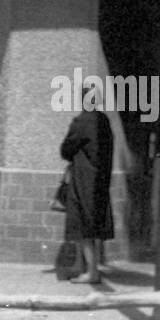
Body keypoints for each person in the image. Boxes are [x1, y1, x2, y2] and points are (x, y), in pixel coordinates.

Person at [59, 79, 115, 284]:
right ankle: (81, 266)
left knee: (82, 225)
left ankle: (91, 272)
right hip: (101, 181)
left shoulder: (81, 122)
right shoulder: (104, 122)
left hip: (83, 180)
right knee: (93, 225)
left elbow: (65, 150)